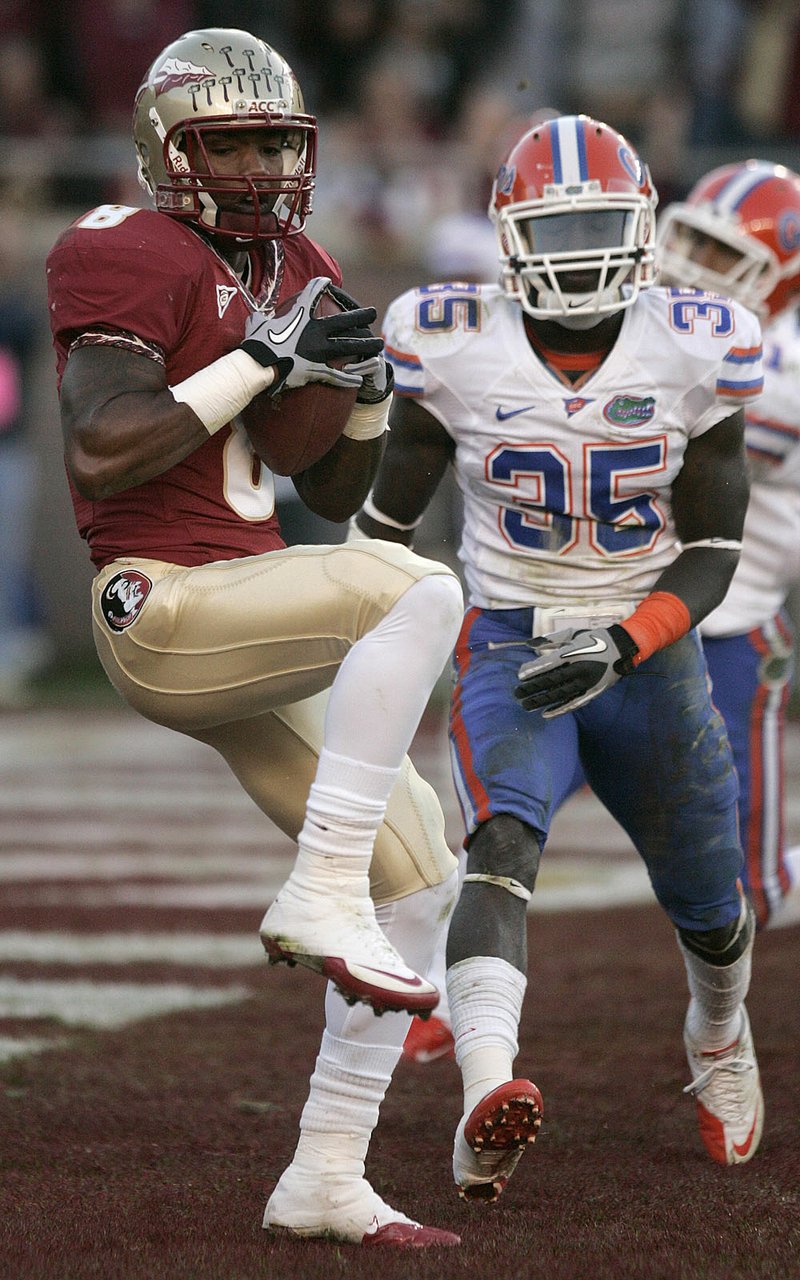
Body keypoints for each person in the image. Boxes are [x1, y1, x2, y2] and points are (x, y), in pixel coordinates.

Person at [45, 27, 464, 1248]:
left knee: (423, 874)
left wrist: (363, 384)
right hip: (160, 604)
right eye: (229, 141)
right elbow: (102, 443)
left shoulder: (301, 266)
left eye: (276, 138)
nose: (259, 165)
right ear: (167, 152)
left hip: (249, 593)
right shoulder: (121, 248)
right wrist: (255, 357)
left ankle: (324, 1172)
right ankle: (319, 887)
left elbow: (319, 486)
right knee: (412, 587)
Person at [352, 113, 766, 1200]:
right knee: (498, 842)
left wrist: (623, 643)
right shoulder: (445, 340)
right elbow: (383, 527)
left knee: (711, 904)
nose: (577, 247)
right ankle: (486, 1091)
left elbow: (714, 551)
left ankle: (718, 1038)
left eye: (595, 223)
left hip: (647, 650)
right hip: (508, 636)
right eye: (554, 224)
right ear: (504, 235)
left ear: (639, 231)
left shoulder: (697, 340)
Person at [657, 159, 800, 929]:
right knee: (514, 806)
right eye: (693, 244)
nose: (692, 268)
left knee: (751, 890)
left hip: (728, 634)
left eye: (722, 257)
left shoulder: (779, 370)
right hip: (627, 616)